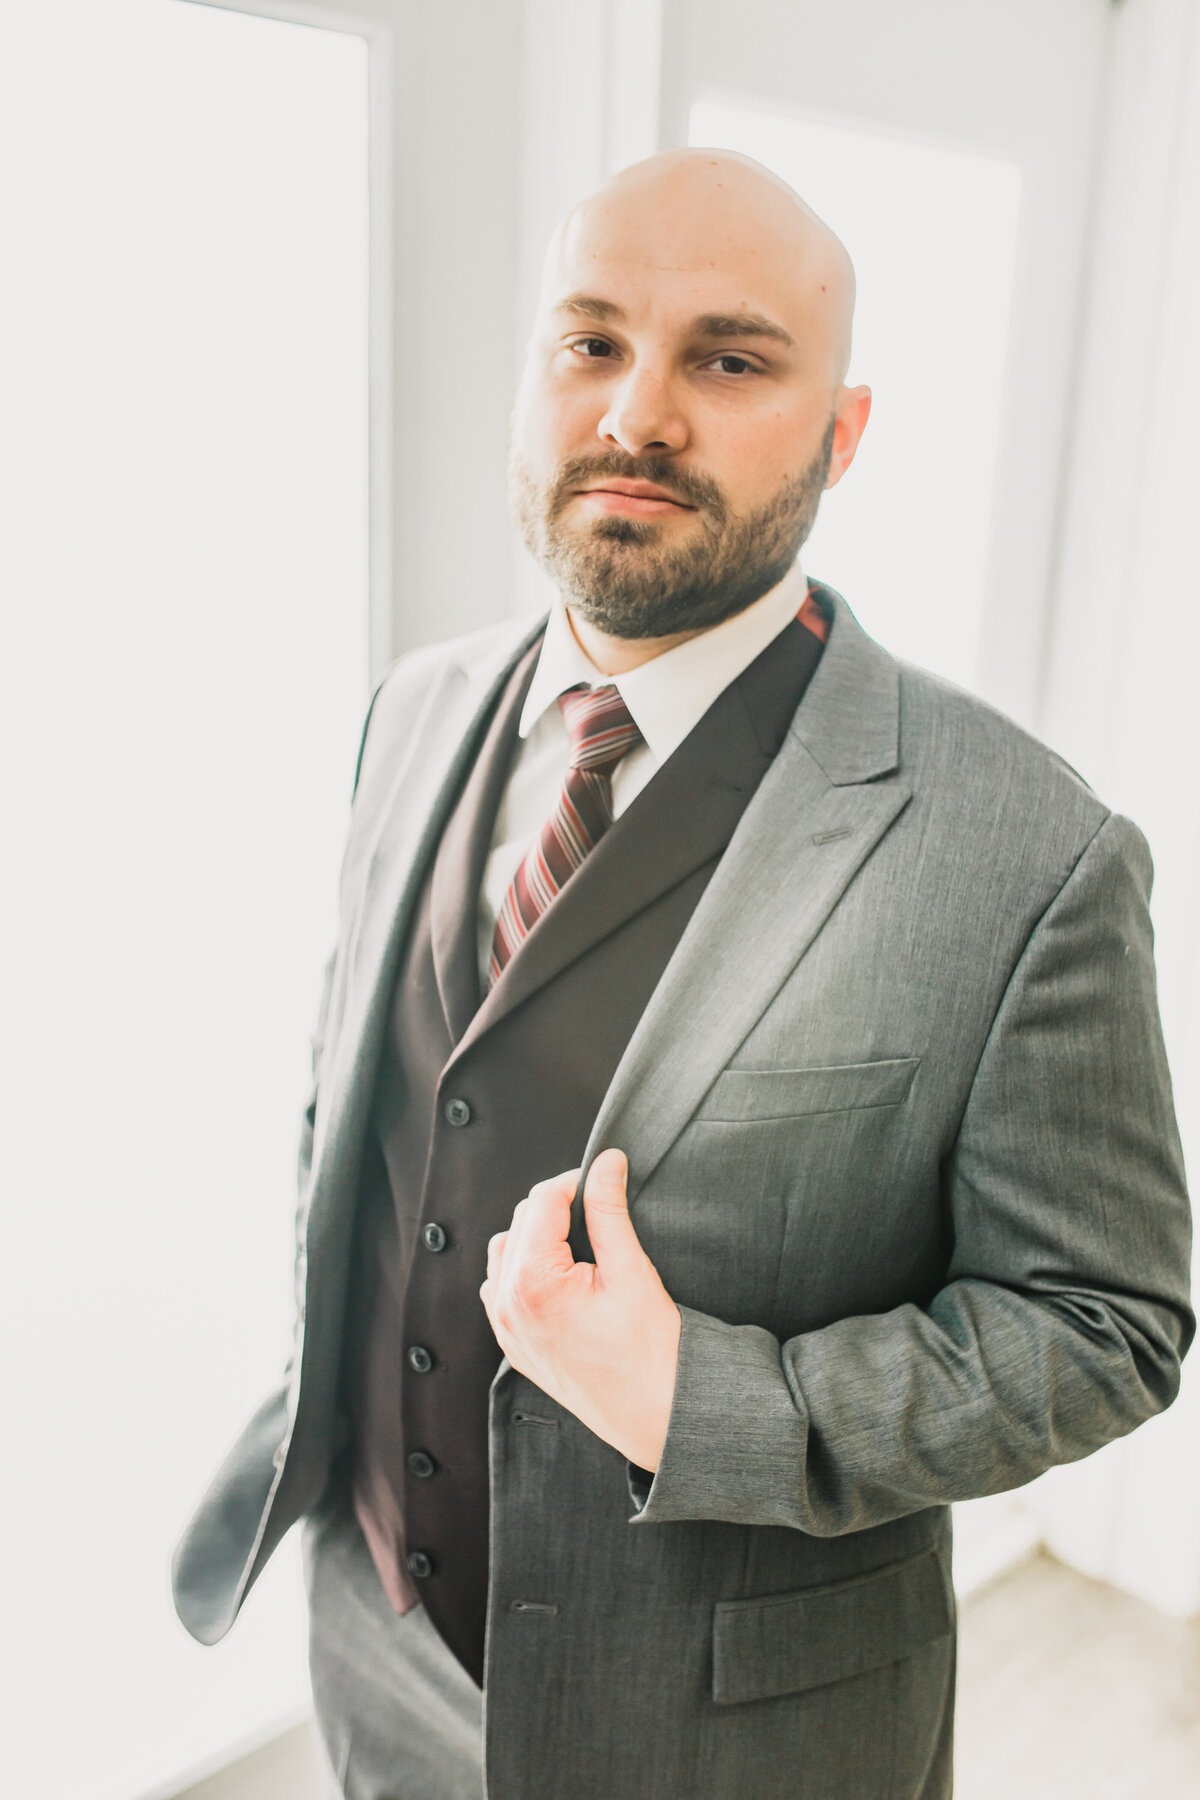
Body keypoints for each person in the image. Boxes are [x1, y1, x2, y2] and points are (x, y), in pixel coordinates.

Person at [173, 149, 1193, 1800]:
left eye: (728, 359)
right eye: (591, 342)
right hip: (373, 1644)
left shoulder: (1029, 851)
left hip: (726, 1739)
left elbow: (1108, 1326)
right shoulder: (414, 708)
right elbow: (353, 1104)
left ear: (842, 434)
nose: (637, 413)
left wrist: (702, 1401)